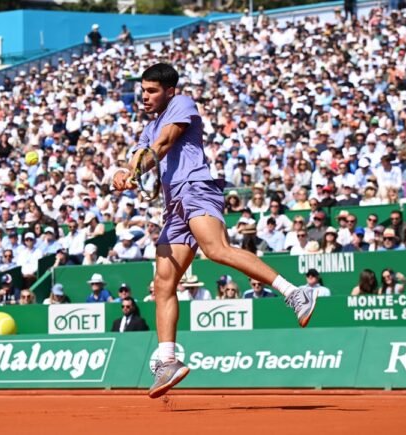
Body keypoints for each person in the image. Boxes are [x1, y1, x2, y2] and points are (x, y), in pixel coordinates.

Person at [112, 63, 315, 398]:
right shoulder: (149, 126)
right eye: (142, 91)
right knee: (162, 283)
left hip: (196, 188)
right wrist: (126, 171)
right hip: (174, 203)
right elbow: (143, 153)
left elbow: (164, 144)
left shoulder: (182, 104)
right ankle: (168, 361)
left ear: (169, 91)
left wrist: (137, 167)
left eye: (151, 91)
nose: (144, 97)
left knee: (216, 250)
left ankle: (295, 292)